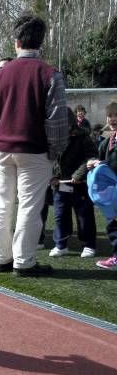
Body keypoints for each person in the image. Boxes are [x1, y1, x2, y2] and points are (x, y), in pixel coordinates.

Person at [0, 13, 68, 276]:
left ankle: (1, 257)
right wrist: (55, 152)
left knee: (2, 203)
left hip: (3, 148)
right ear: (41, 42)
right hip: (34, 150)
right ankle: (24, 261)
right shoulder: (50, 74)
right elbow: (56, 120)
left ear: (16, 41)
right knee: (29, 206)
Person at [49, 108, 98, 258]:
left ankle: (89, 244)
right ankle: (61, 244)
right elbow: (50, 159)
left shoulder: (83, 137)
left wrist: (78, 174)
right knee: (60, 214)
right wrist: (53, 176)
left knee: (84, 216)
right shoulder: (52, 137)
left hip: (79, 184)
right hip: (60, 184)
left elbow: (91, 156)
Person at [86, 101, 117, 269]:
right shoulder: (107, 142)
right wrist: (93, 163)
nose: (112, 119)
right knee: (113, 225)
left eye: (116, 115)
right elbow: (100, 159)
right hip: (112, 194)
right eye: (110, 116)